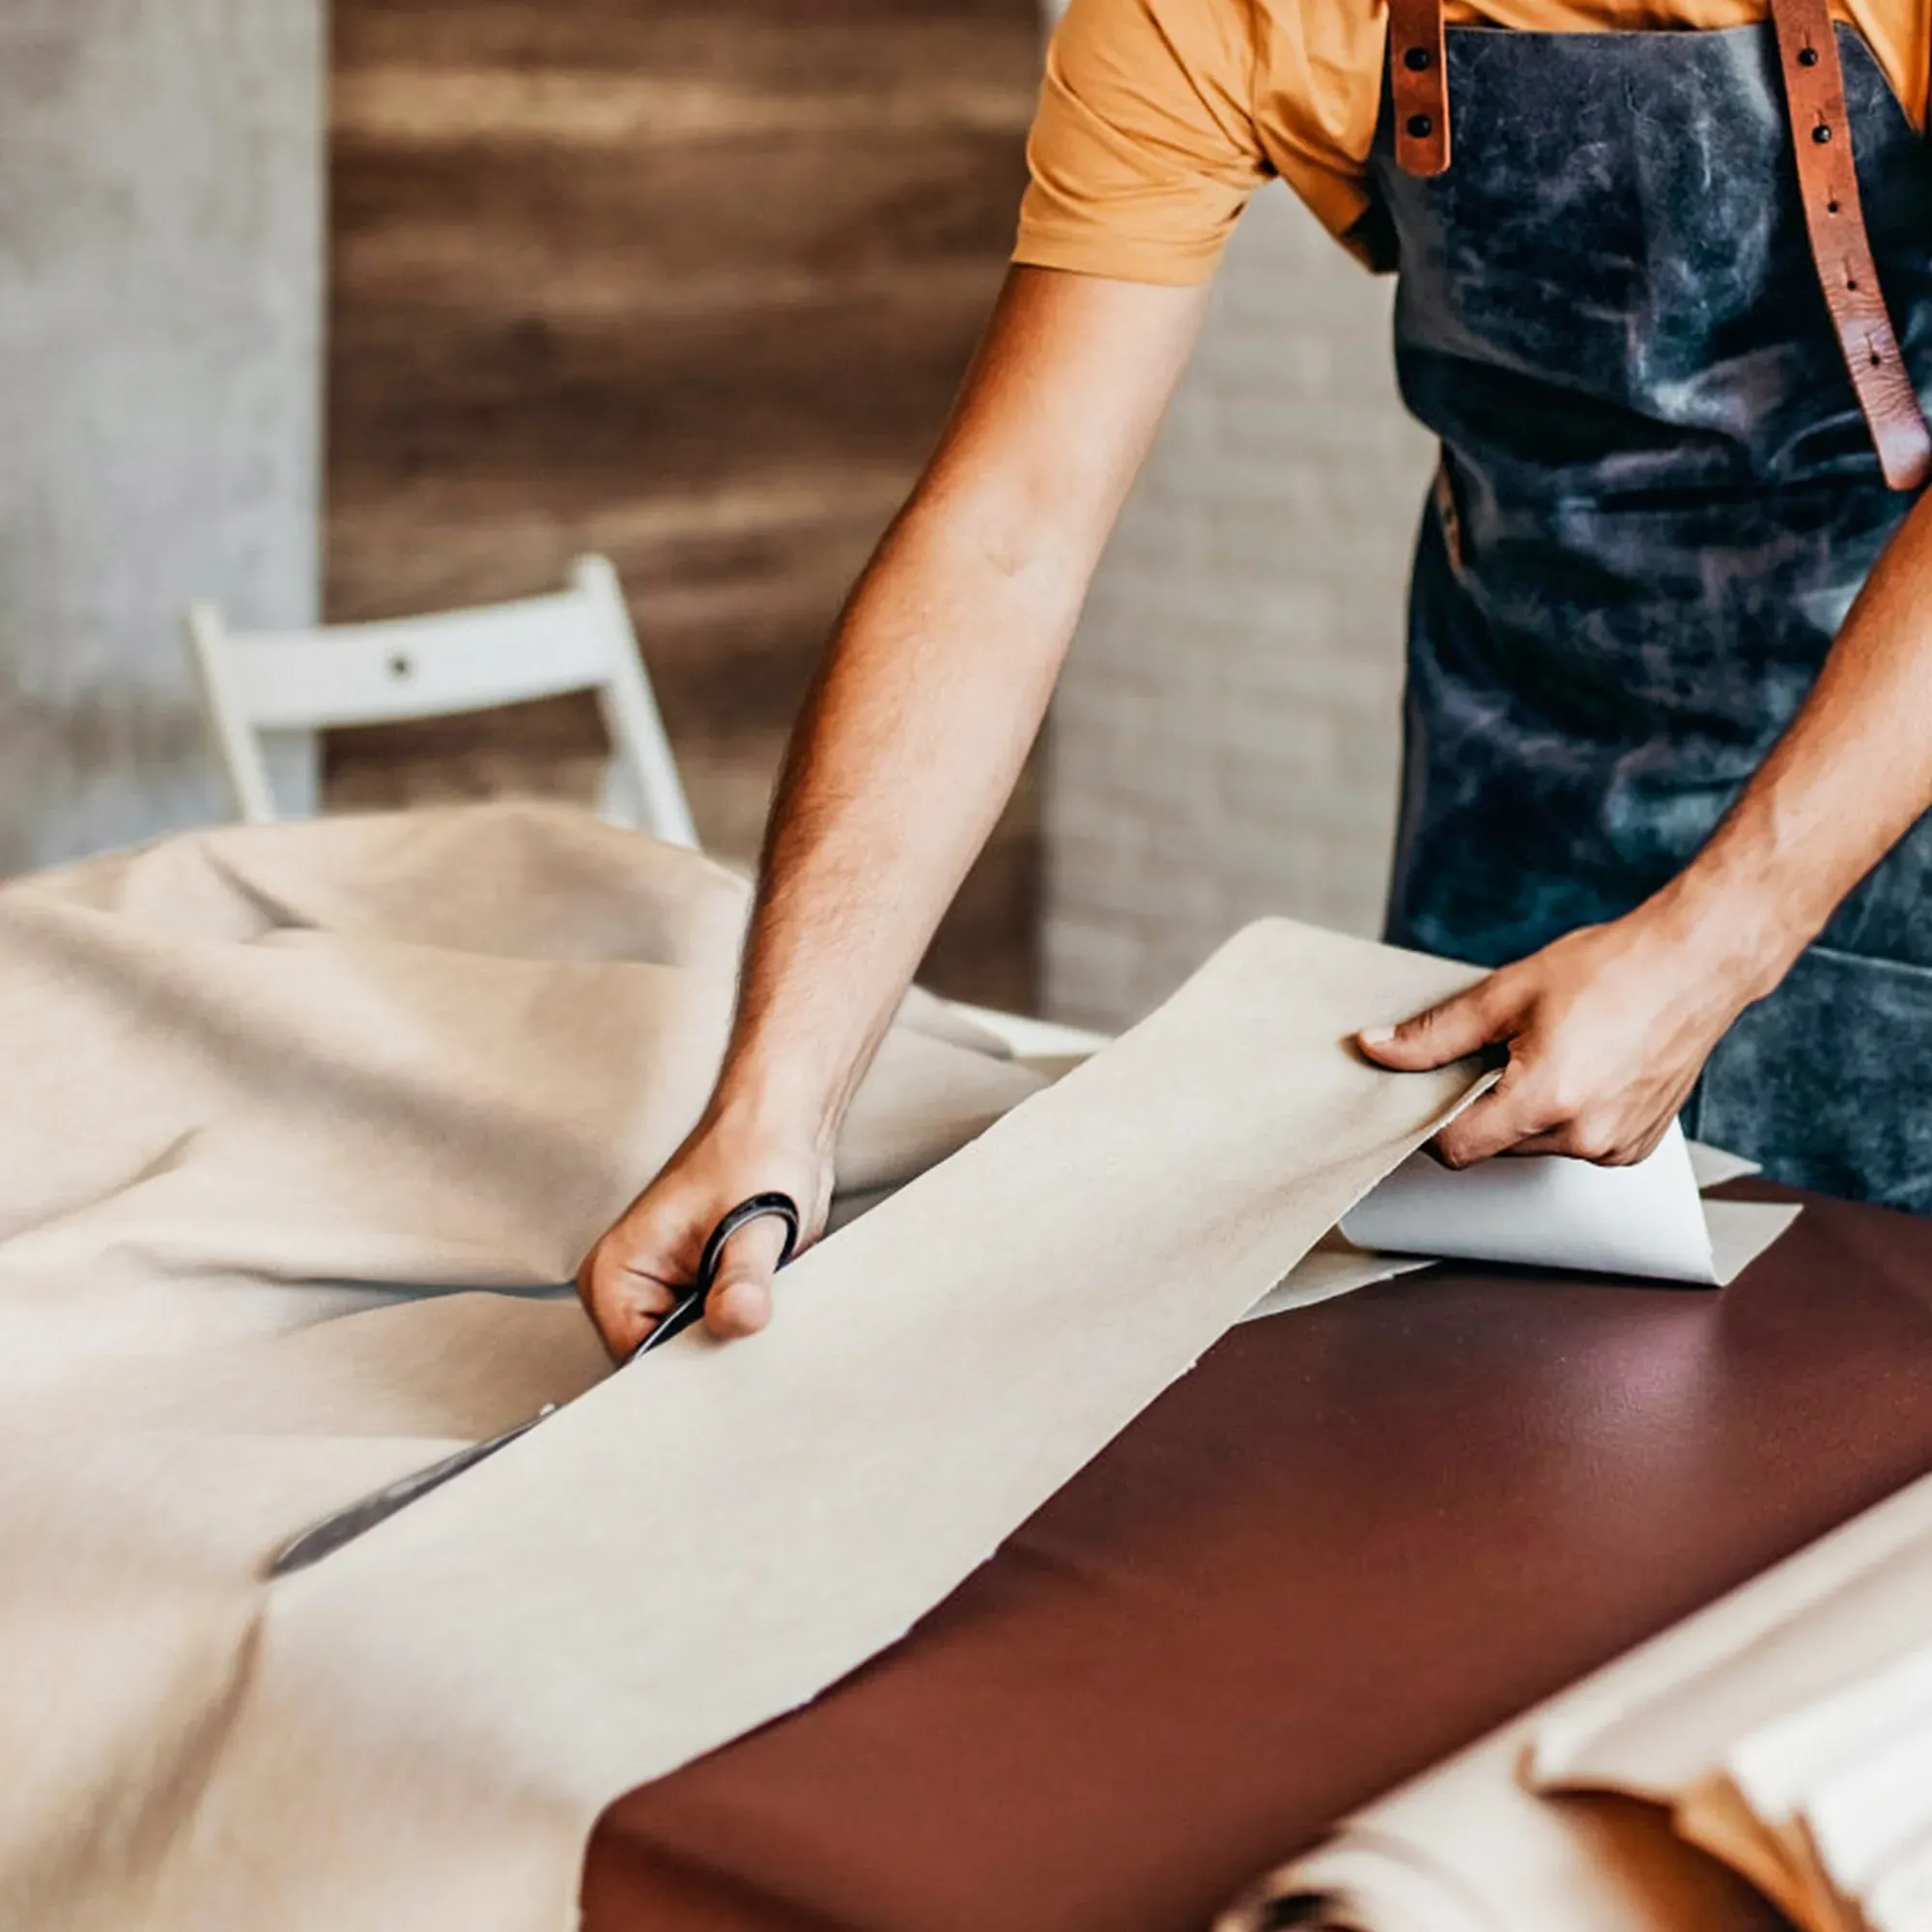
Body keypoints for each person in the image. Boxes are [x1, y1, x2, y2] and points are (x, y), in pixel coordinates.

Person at [579, 0, 1932, 1353]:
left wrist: (1718, 939)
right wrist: (778, 1102)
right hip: (1528, 769)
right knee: (1507, 1404)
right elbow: (1005, 538)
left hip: (1902, 755)